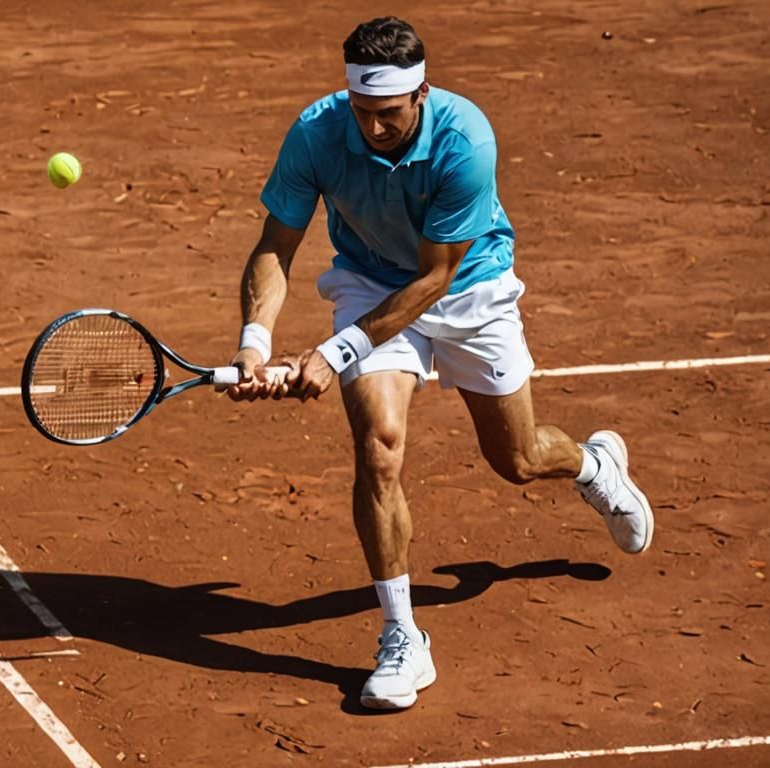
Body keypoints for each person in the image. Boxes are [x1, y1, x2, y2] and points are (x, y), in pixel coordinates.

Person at [226, 16, 654, 711]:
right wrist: (254, 340)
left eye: (389, 115)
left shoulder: (466, 139)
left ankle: (592, 465)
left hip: (467, 286)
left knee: (516, 460)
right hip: (368, 280)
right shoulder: (316, 132)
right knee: (379, 448)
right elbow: (277, 243)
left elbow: (433, 281)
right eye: (363, 113)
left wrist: (335, 352)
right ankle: (402, 638)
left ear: (421, 93)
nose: (373, 130)